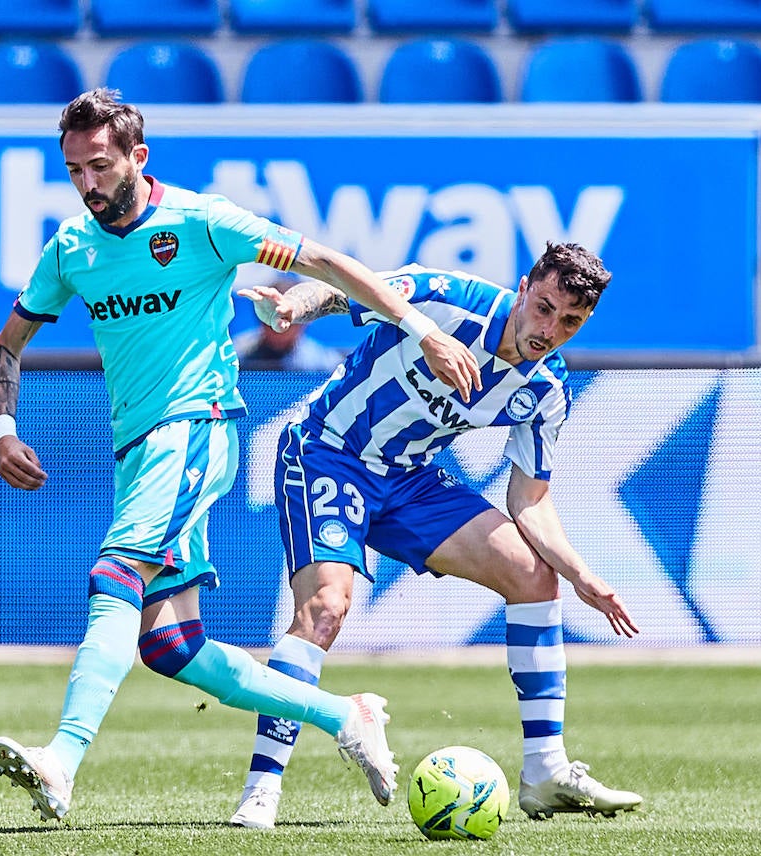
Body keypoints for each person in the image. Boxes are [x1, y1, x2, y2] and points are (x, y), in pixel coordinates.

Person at [0, 88, 482, 823]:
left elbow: (324, 261)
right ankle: (346, 716)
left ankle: (62, 759)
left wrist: (420, 329)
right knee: (171, 644)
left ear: (137, 158)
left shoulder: (203, 222)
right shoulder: (72, 250)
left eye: (98, 166)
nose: (87, 185)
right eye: (73, 171)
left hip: (195, 428)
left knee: (114, 573)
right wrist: (2, 427)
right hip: (137, 448)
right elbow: (7, 346)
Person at [228, 243, 644, 830]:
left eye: (570, 321)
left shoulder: (546, 388)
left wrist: (581, 574)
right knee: (325, 608)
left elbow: (528, 500)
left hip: (409, 479)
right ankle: (261, 788)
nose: (549, 329)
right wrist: (293, 305)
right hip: (329, 452)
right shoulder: (451, 299)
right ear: (524, 287)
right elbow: (347, 286)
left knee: (533, 575)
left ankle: (545, 772)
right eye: (545, 307)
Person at [232, 274, 345, 371]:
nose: (279, 327)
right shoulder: (233, 357)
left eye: (288, 320)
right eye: (271, 321)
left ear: (304, 323)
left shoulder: (324, 365)